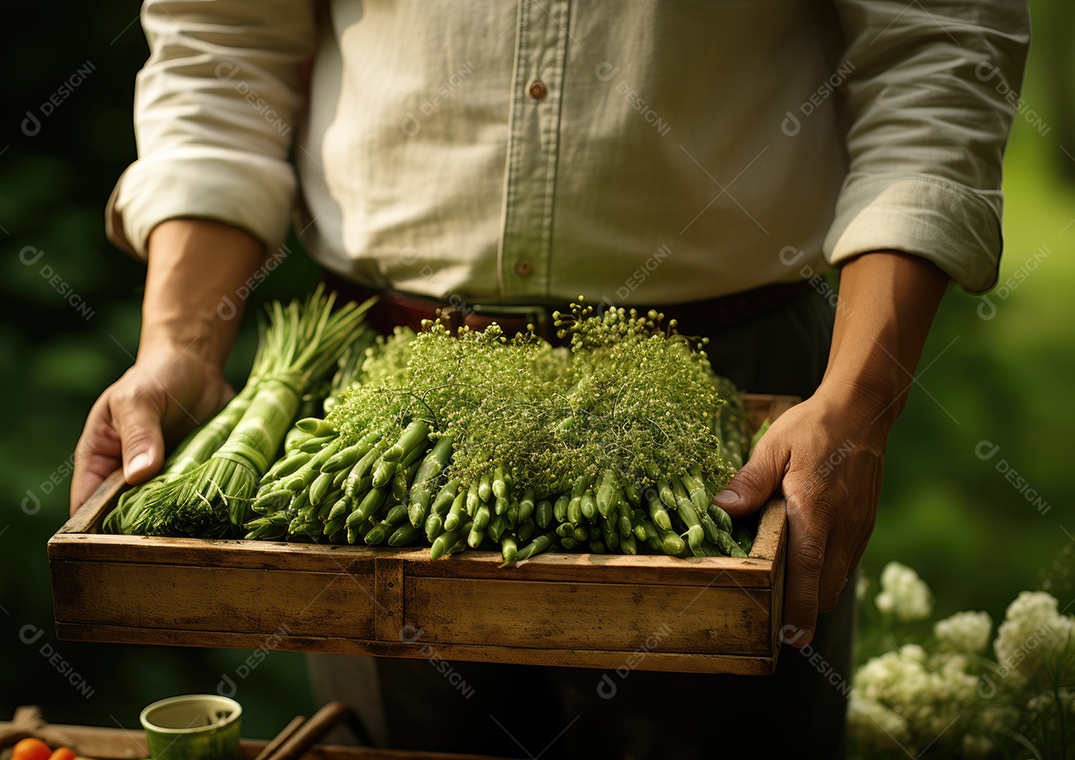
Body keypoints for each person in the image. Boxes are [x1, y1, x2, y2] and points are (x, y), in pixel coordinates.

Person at [71, 1, 1030, 756]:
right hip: (382, 404)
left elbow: (938, 54)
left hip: (732, 402)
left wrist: (859, 401)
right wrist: (180, 347)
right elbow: (221, 49)